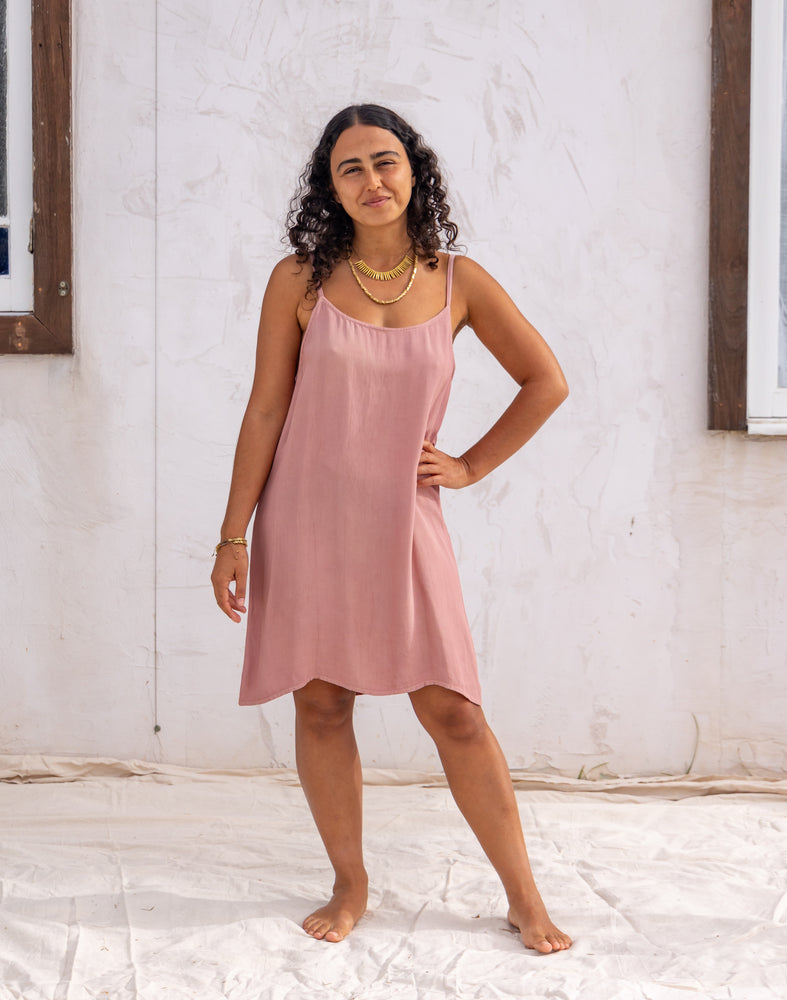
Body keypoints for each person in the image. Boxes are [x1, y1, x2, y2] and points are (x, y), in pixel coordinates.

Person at [211, 104, 571, 953]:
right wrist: (233, 536)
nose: (372, 181)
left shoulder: (459, 281)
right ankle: (351, 882)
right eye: (350, 169)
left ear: (414, 171)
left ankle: (524, 896)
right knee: (323, 699)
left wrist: (472, 465)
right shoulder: (298, 280)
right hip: (304, 516)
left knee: (453, 710)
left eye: (385, 163)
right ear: (329, 189)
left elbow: (545, 381)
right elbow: (265, 409)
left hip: (404, 520)